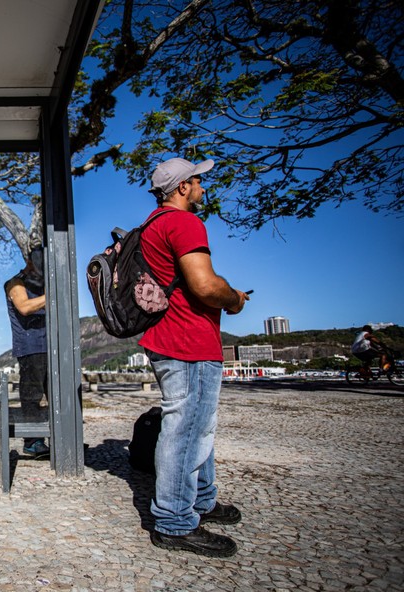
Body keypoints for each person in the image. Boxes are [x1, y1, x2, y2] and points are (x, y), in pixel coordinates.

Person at [138, 157, 249, 558]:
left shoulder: (151, 225)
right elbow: (204, 285)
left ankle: (201, 499)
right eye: (199, 180)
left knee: (198, 427)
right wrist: (235, 299)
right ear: (183, 187)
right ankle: (174, 521)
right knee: (185, 429)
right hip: (187, 341)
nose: (203, 187)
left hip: (167, 338)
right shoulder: (184, 223)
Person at [4, 247, 49, 457]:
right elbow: (24, 307)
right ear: (30, 262)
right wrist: (53, 295)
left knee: (57, 395)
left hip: (51, 345)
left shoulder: (43, 284)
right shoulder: (15, 283)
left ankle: (62, 438)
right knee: (32, 396)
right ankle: (33, 441)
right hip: (31, 348)